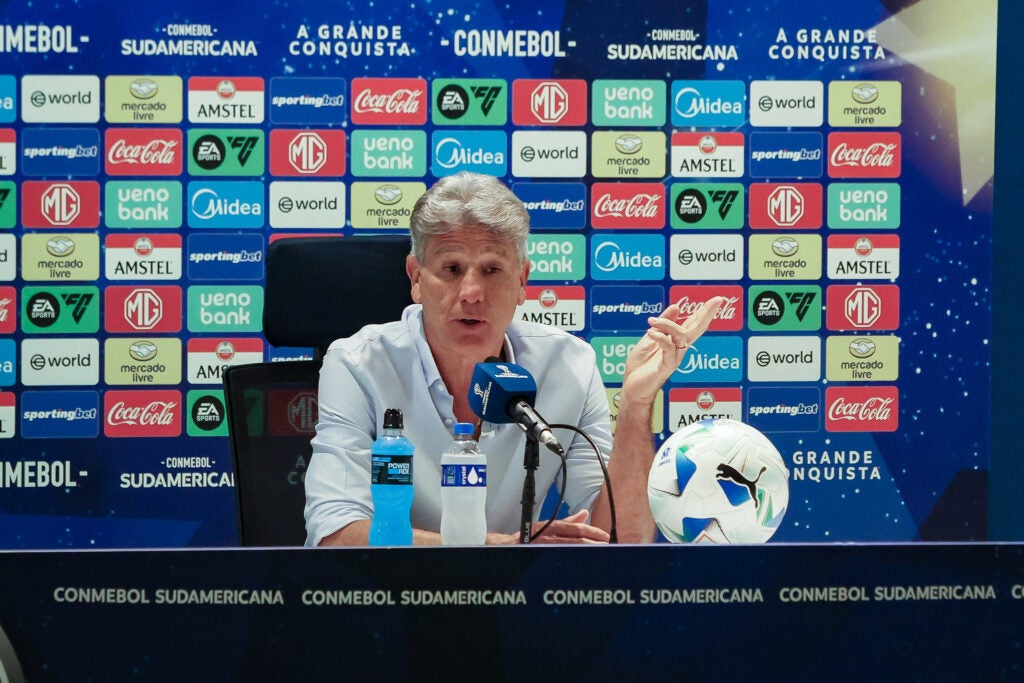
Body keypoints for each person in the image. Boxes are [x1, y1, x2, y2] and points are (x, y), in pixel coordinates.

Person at [303, 171, 723, 546]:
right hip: (386, 595)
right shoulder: (358, 365)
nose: (471, 293)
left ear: (522, 281)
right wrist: (494, 548)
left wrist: (635, 404)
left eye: (492, 270)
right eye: (452, 269)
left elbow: (621, 540)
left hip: (519, 598)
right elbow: (336, 534)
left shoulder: (568, 365)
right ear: (416, 278)